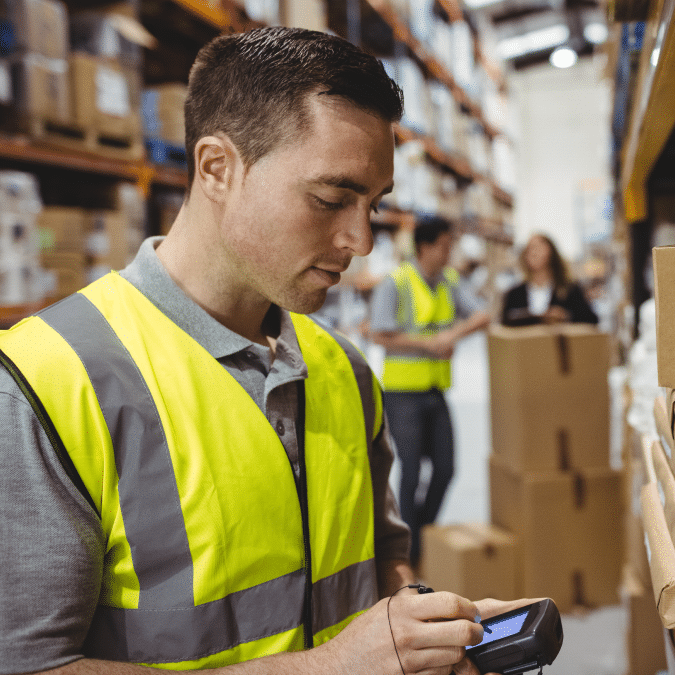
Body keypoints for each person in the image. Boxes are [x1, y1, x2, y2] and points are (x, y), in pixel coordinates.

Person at [0, 27, 533, 675]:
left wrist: (416, 630)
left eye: (373, 204)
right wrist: (331, 666)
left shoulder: (342, 366)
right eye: (331, 198)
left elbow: (380, 552)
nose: (361, 240)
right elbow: (28, 662)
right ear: (217, 168)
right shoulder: (48, 383)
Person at [369, 216, 491, 566]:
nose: (450, 251)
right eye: (444, 245)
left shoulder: (448, 281)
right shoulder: (395, 283)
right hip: (402, 393)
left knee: (446, 468)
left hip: (436, 391)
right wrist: (428, 344)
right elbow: (379, 333)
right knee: (410, 471)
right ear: (424, 247)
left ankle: (420, 535)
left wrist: (451, 337)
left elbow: (482, 315)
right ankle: (410, 551)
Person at [501, 233, 599, 327]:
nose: (533, 252)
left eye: (538, 247)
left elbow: (592, 320)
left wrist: (565, 316)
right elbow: (504, 323)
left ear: (551, 252)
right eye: (529, 248)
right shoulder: (514, 294)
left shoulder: (569, 290)